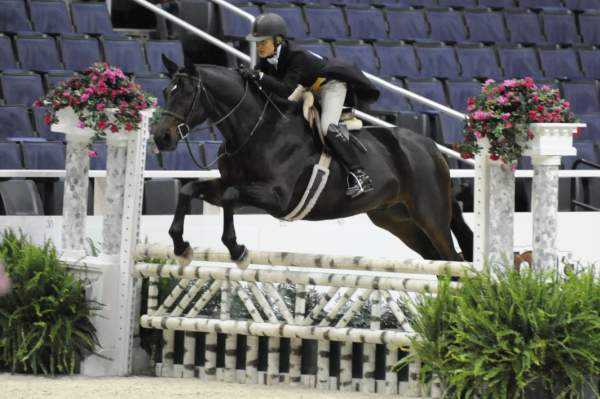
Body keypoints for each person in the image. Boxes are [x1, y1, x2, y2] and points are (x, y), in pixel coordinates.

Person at [241, 13, 380, 198]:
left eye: (262, 41)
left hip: (330, 85)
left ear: (278, 40)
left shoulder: (297, 56)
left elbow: (284, 89)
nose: (258, 46)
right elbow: (269, 83)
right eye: (257, 42)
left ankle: (359, 174)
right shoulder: (268, 57)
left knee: (326, 127)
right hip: (308, 86)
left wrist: (259, 77)